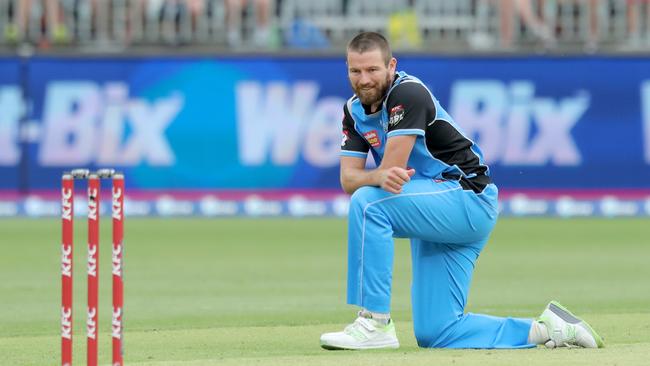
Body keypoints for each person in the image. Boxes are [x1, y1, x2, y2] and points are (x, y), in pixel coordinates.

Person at [319, 31, 604, 350]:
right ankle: (547, 329)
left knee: (369, 205)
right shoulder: (353, 111)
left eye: (372, 69)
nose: (364, 79)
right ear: (346, 69)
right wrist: (373, 178)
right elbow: (349, 179)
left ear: (391, 65)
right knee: (437, 332)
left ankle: (374, 322)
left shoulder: (408, 93)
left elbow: (389, 171)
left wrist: (370, 178)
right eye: (355, 71)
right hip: (435, 205)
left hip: (466, 195)